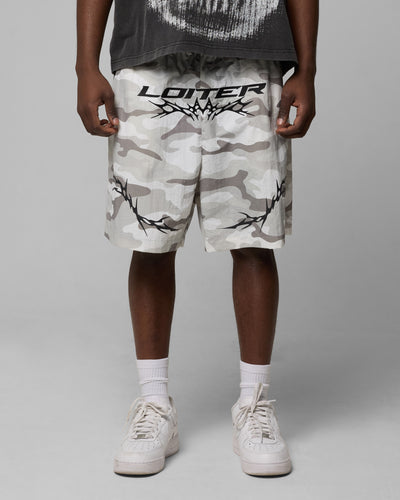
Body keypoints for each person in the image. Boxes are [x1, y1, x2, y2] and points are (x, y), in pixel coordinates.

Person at [75, 0, 318, 477]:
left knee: (253, 237)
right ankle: (154, 404)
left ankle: (254, 403)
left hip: (252, 55)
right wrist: (85, 65)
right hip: (150, 58)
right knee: (149, 239)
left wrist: (306, 70)